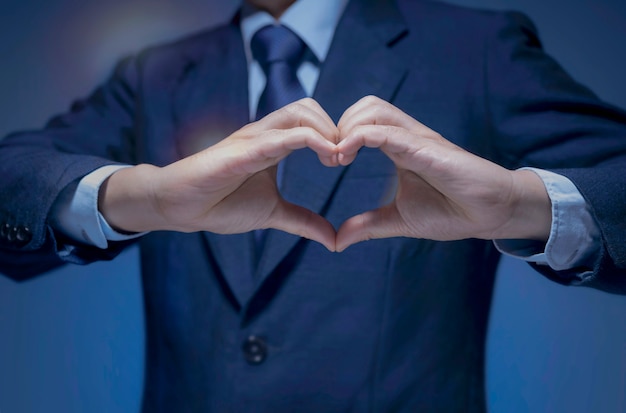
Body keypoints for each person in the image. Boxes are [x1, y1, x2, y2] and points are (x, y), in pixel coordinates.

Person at [1, 0, 625, 411]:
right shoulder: (153, 74)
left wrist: (525, 206)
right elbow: (14, 179)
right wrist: (142, 195)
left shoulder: (476, 48)